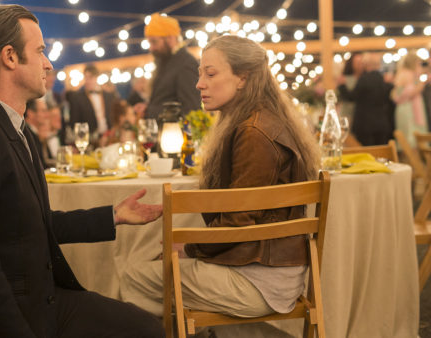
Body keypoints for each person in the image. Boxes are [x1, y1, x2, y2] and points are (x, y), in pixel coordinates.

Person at [0, 5, 164, 337]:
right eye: (40, 51)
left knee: (146, 327)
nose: (48, 63)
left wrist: (112, 215)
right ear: (10, 57)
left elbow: (32, 226)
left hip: (43, 300)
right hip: (8, 317)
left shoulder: (17, 130)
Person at [124, 35, 320, 321]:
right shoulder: (260, 119)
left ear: (243, 78)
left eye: (210, 73)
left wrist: (191, 248)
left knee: (134, 275)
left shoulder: (254, 132)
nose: (199, 83)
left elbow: (237, 222)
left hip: (259, 281)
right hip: (267, 267)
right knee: (159, 262)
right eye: (200, 73)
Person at [136, 13, 201, 120]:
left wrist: (150, 111)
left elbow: (191, 110)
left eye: (154, 42)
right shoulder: (166, 62)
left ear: (170, 39)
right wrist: (148, 108)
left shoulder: (185, 64)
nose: (151, 48)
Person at [338, 53, 395, 146]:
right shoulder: (383, 80)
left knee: (367, 153)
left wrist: (342, 86)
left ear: (366, 65)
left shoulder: (364, 79)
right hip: (382, 123)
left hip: (365, 124)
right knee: (381, 152)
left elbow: (351, 97)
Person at [67, 63, 116, 146]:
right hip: (90, 141)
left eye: (90, 77)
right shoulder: (77, 98)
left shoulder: (109, 96)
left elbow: (113, 117)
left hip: (108, 138)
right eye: (86, 77)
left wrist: (110, 134)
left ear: (97, 77)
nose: (87, 81)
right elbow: (74, 123)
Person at [392, 51, 429, 146]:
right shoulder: (408, 74)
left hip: (406, 108)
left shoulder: (404, 73)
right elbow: (408, 93)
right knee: (410, 137)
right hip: (409, 109)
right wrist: (421, 85)